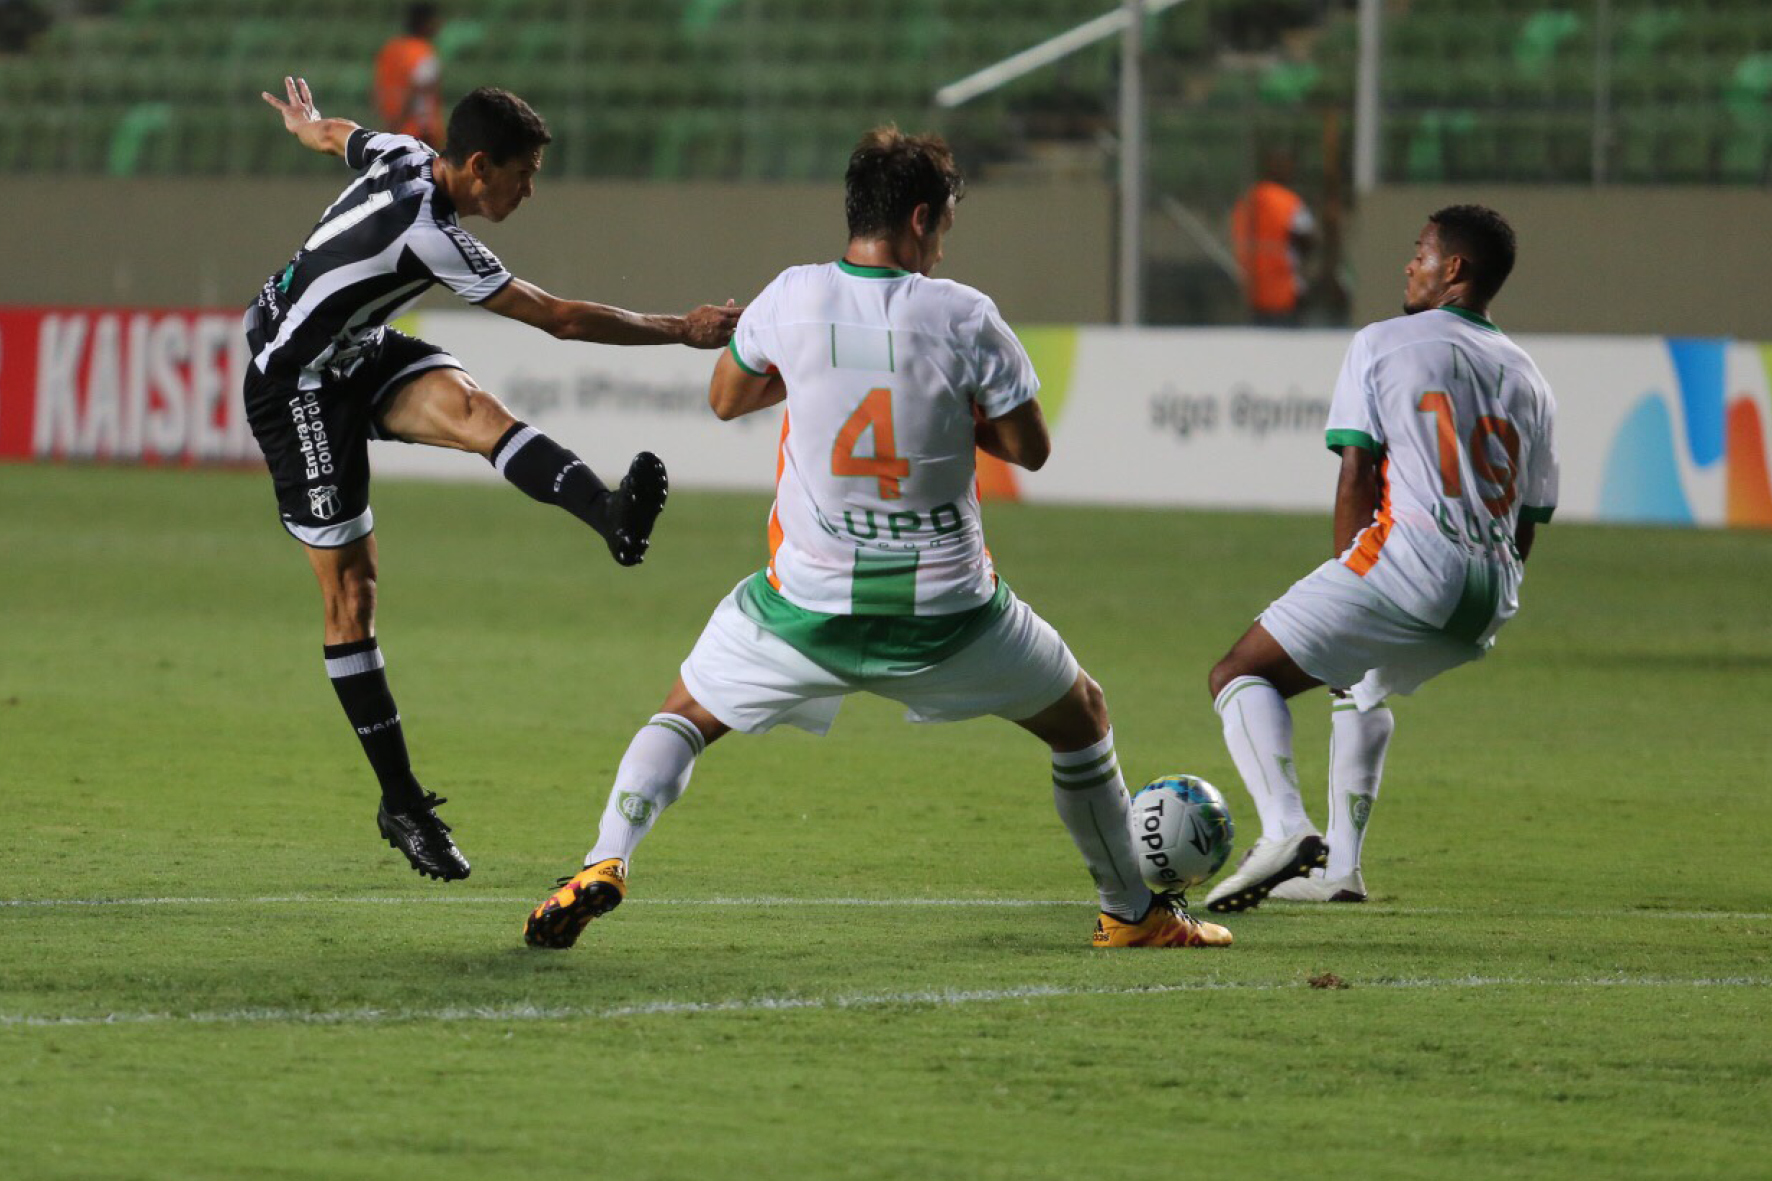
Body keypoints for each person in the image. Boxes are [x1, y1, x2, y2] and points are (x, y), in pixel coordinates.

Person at [522, 127, 1233, 952]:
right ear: (922, 219)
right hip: (953, 618)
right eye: (945, 229)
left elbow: (726, 399)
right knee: (1081, 718)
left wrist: (819, 372)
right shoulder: (965, 315)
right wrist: (951, 409)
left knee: (684, 713)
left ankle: (606, 859)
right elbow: (1032, 448)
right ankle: (1129, 911)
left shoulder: (790, 297)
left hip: (805, 608)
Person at [249, 78, 740, 881]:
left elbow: (340, 136)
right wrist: (680, 331)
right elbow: (558, 317)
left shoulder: (404, 152)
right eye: (523, 174)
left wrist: (305, 124)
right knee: (353, 597)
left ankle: (611, 514)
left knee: (475, 409)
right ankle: (400, 801)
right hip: (294, 383)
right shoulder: (431, 232)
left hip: (357, 348)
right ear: (479, 165)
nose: (530, 190)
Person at [1202, 205, 1557, 911]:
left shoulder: (1384, 342)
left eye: (1420, 251)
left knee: (1238, 673)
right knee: (1357, 684)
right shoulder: (1530, 378)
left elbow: (1358, 473)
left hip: (1412, 564)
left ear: (1454, 269)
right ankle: (1341, 871)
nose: (1409, 263)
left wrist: (1347, 583)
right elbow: (1527, 521)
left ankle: (1285, 830)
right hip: (1490, 596)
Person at [1231, 149, 1317, 327]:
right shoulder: (1288, 202)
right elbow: (1307, 239)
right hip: (1283, 291)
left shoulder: (1246, 200)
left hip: (1250, 291)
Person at [374, 3, 446, 147]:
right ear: (425, 23)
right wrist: (400, 122)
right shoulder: (423, 52)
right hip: (417, 132)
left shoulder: (391, 49)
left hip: (391, 128)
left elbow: (379, 89)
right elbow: (417, 90)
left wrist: (390, 126)